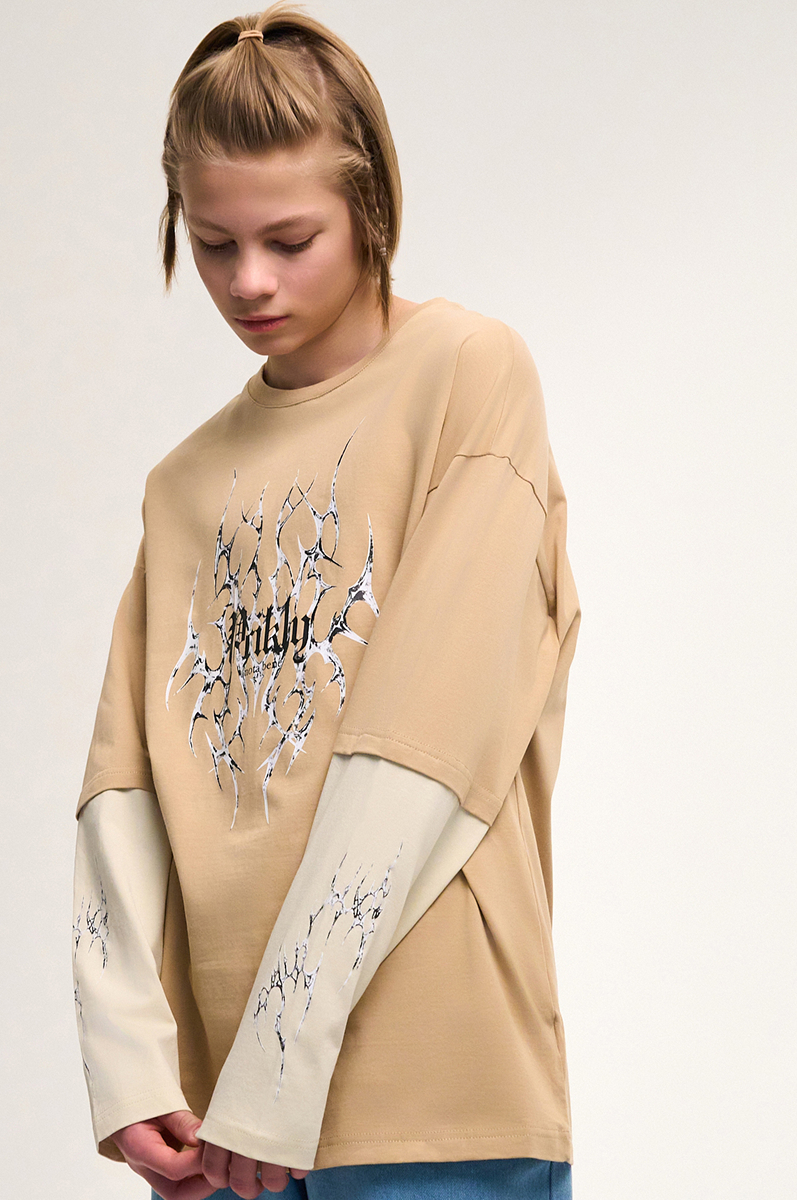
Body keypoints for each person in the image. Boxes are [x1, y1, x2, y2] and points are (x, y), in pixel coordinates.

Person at [72, 5, 581, 1199]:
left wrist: (278, 1066)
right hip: (223, 1124)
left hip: (433, 1096)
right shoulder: (184, 483)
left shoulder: (467, 375)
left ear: (371, 209)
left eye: (289, 239)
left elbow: (425, 737)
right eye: (212, 243)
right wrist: (130, 1065)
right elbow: (121, 781)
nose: (247, 281)